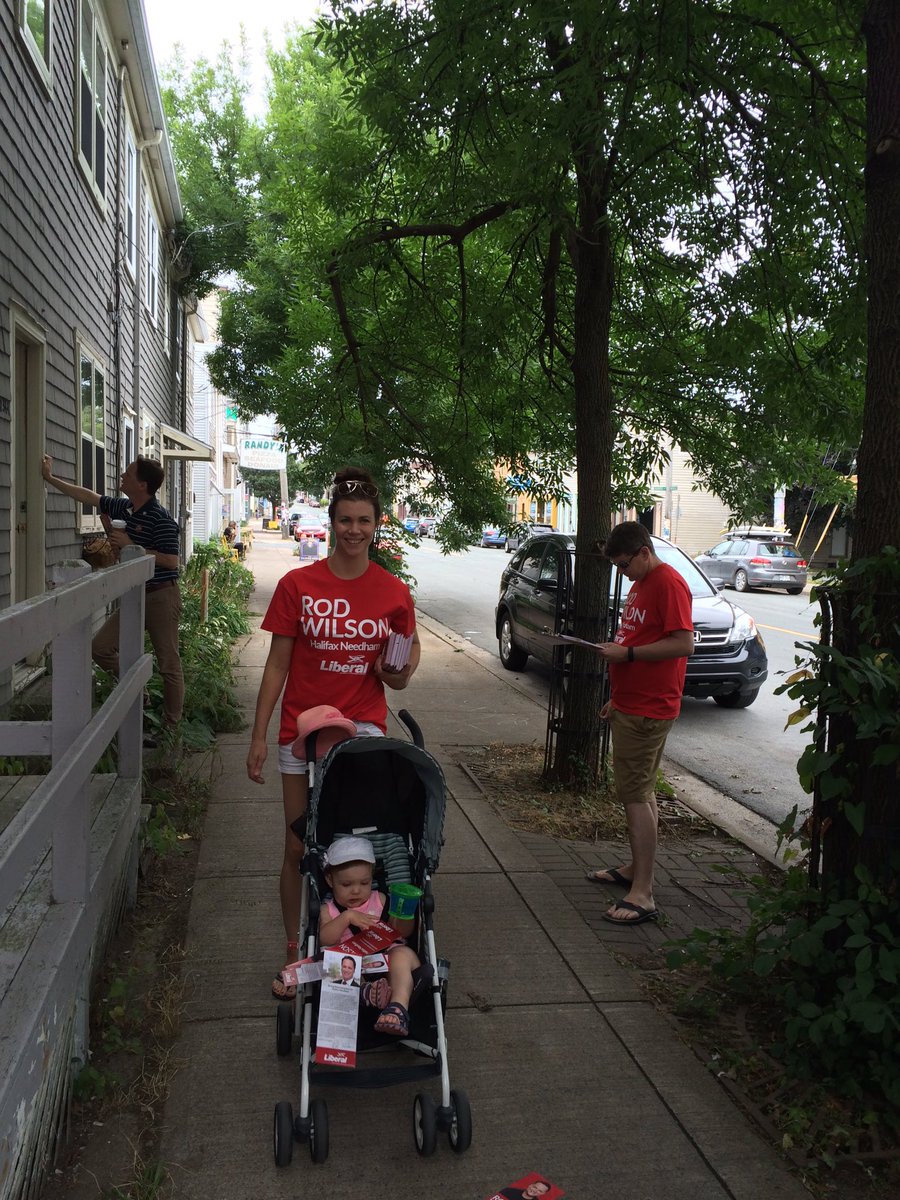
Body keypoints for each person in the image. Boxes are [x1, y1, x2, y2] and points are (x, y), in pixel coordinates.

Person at [246, 467, 420, 999]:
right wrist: (258, 736)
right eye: (344, 520)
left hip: (360, 731)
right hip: (300, 729)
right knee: (298, 845)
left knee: (355, 844)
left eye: (363, 520)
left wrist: (396, 671)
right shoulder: (298, 585)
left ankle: (364, 937)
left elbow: (402, 670)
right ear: (330, 523)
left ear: (376, 523)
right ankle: (296, 947)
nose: (353, 529)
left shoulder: (392, 592)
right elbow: (276, 664)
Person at [586, 522, 694, 925]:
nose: (622, 572)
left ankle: (643, 892)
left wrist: (626, 656)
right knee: (640, 792)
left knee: (634, 796)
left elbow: (684, 642)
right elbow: (638, 634)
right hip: (632, 703)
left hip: (650, 708)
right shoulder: (642, 583)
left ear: (644, 552)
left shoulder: (668, 583)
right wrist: (618, 695)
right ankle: (636, 871)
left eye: (624, 563)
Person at [41, 454, 184, 740]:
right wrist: (50, 479)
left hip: (160, 596)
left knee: (168, 662)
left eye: (128, 474)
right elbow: (89, 497)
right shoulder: (124, 508)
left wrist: (133, 545)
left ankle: (171, 728)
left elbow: (172, 561)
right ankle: (139, 694)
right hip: (133, 596)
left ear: (142, 485)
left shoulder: (161, 519)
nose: (122, 475)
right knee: (99, 648)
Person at [319, 837, 421, 1035]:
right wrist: (347, 917)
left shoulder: (380, 899)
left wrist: (405, 913)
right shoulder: (329, 910)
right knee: (332, 963)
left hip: (389, 960)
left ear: (371, 878)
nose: (356, 890)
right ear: (330, 880)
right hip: (355, 965)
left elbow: (401, 932)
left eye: (364, 882)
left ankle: (397, 1007)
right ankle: (366, 991)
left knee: (401, 953)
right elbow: (325, 939)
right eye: (346, 884)